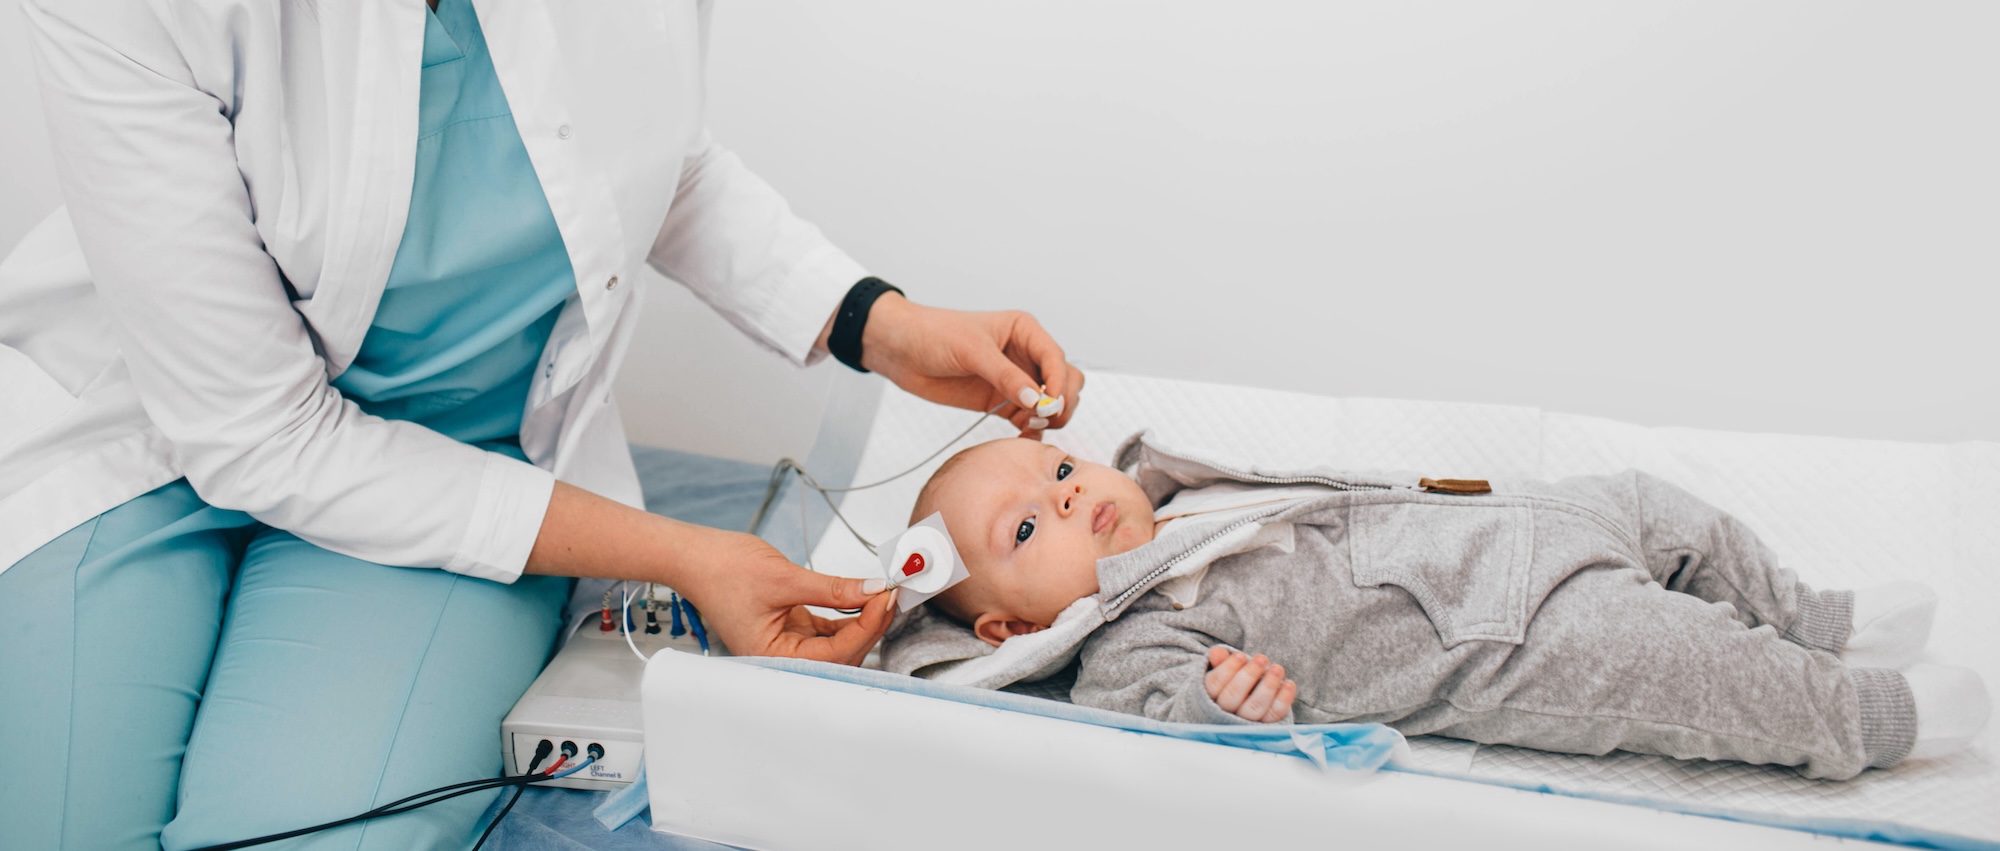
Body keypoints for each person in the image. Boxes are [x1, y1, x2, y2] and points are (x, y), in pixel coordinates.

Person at [0, 1, 1081, 848]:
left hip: (466, 478)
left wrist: (874, 324)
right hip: (157, 418)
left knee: (292, 827)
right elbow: (257, 433)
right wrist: (684, 555)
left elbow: (653, 155)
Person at [890, 434, 1992, 781]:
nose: (1067, 496)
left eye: (1059, 469)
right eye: (1027, 530)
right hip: (1503, 638)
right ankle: (1870, 713)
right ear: (1010, 627)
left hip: (1520, 522)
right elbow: (1161, 713)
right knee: (1684, 665)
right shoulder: (1126, 639)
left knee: (1659, 506)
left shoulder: (1183, 489)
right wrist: (1229, 704)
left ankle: (1811, 612)